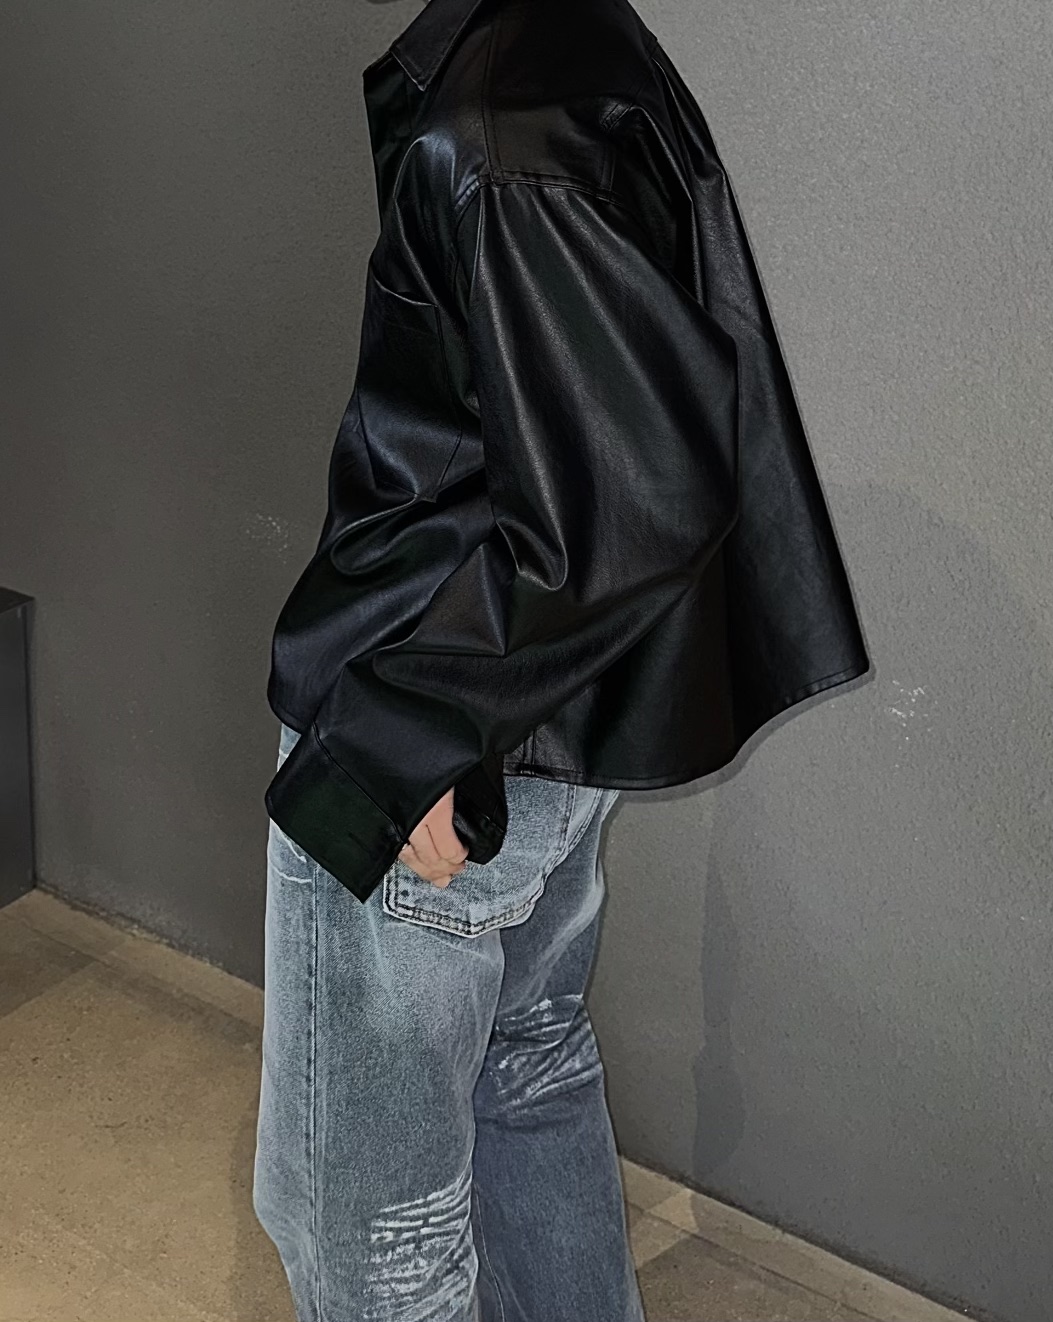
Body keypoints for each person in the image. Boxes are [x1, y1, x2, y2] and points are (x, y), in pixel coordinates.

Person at [252, 0, 871, 1318]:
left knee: (370, 1227)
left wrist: (414, 734)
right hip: (547, 722)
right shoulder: (568, 44)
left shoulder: (499, 125)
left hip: (446, 739)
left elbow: (634, 484)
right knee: (525, 1070)